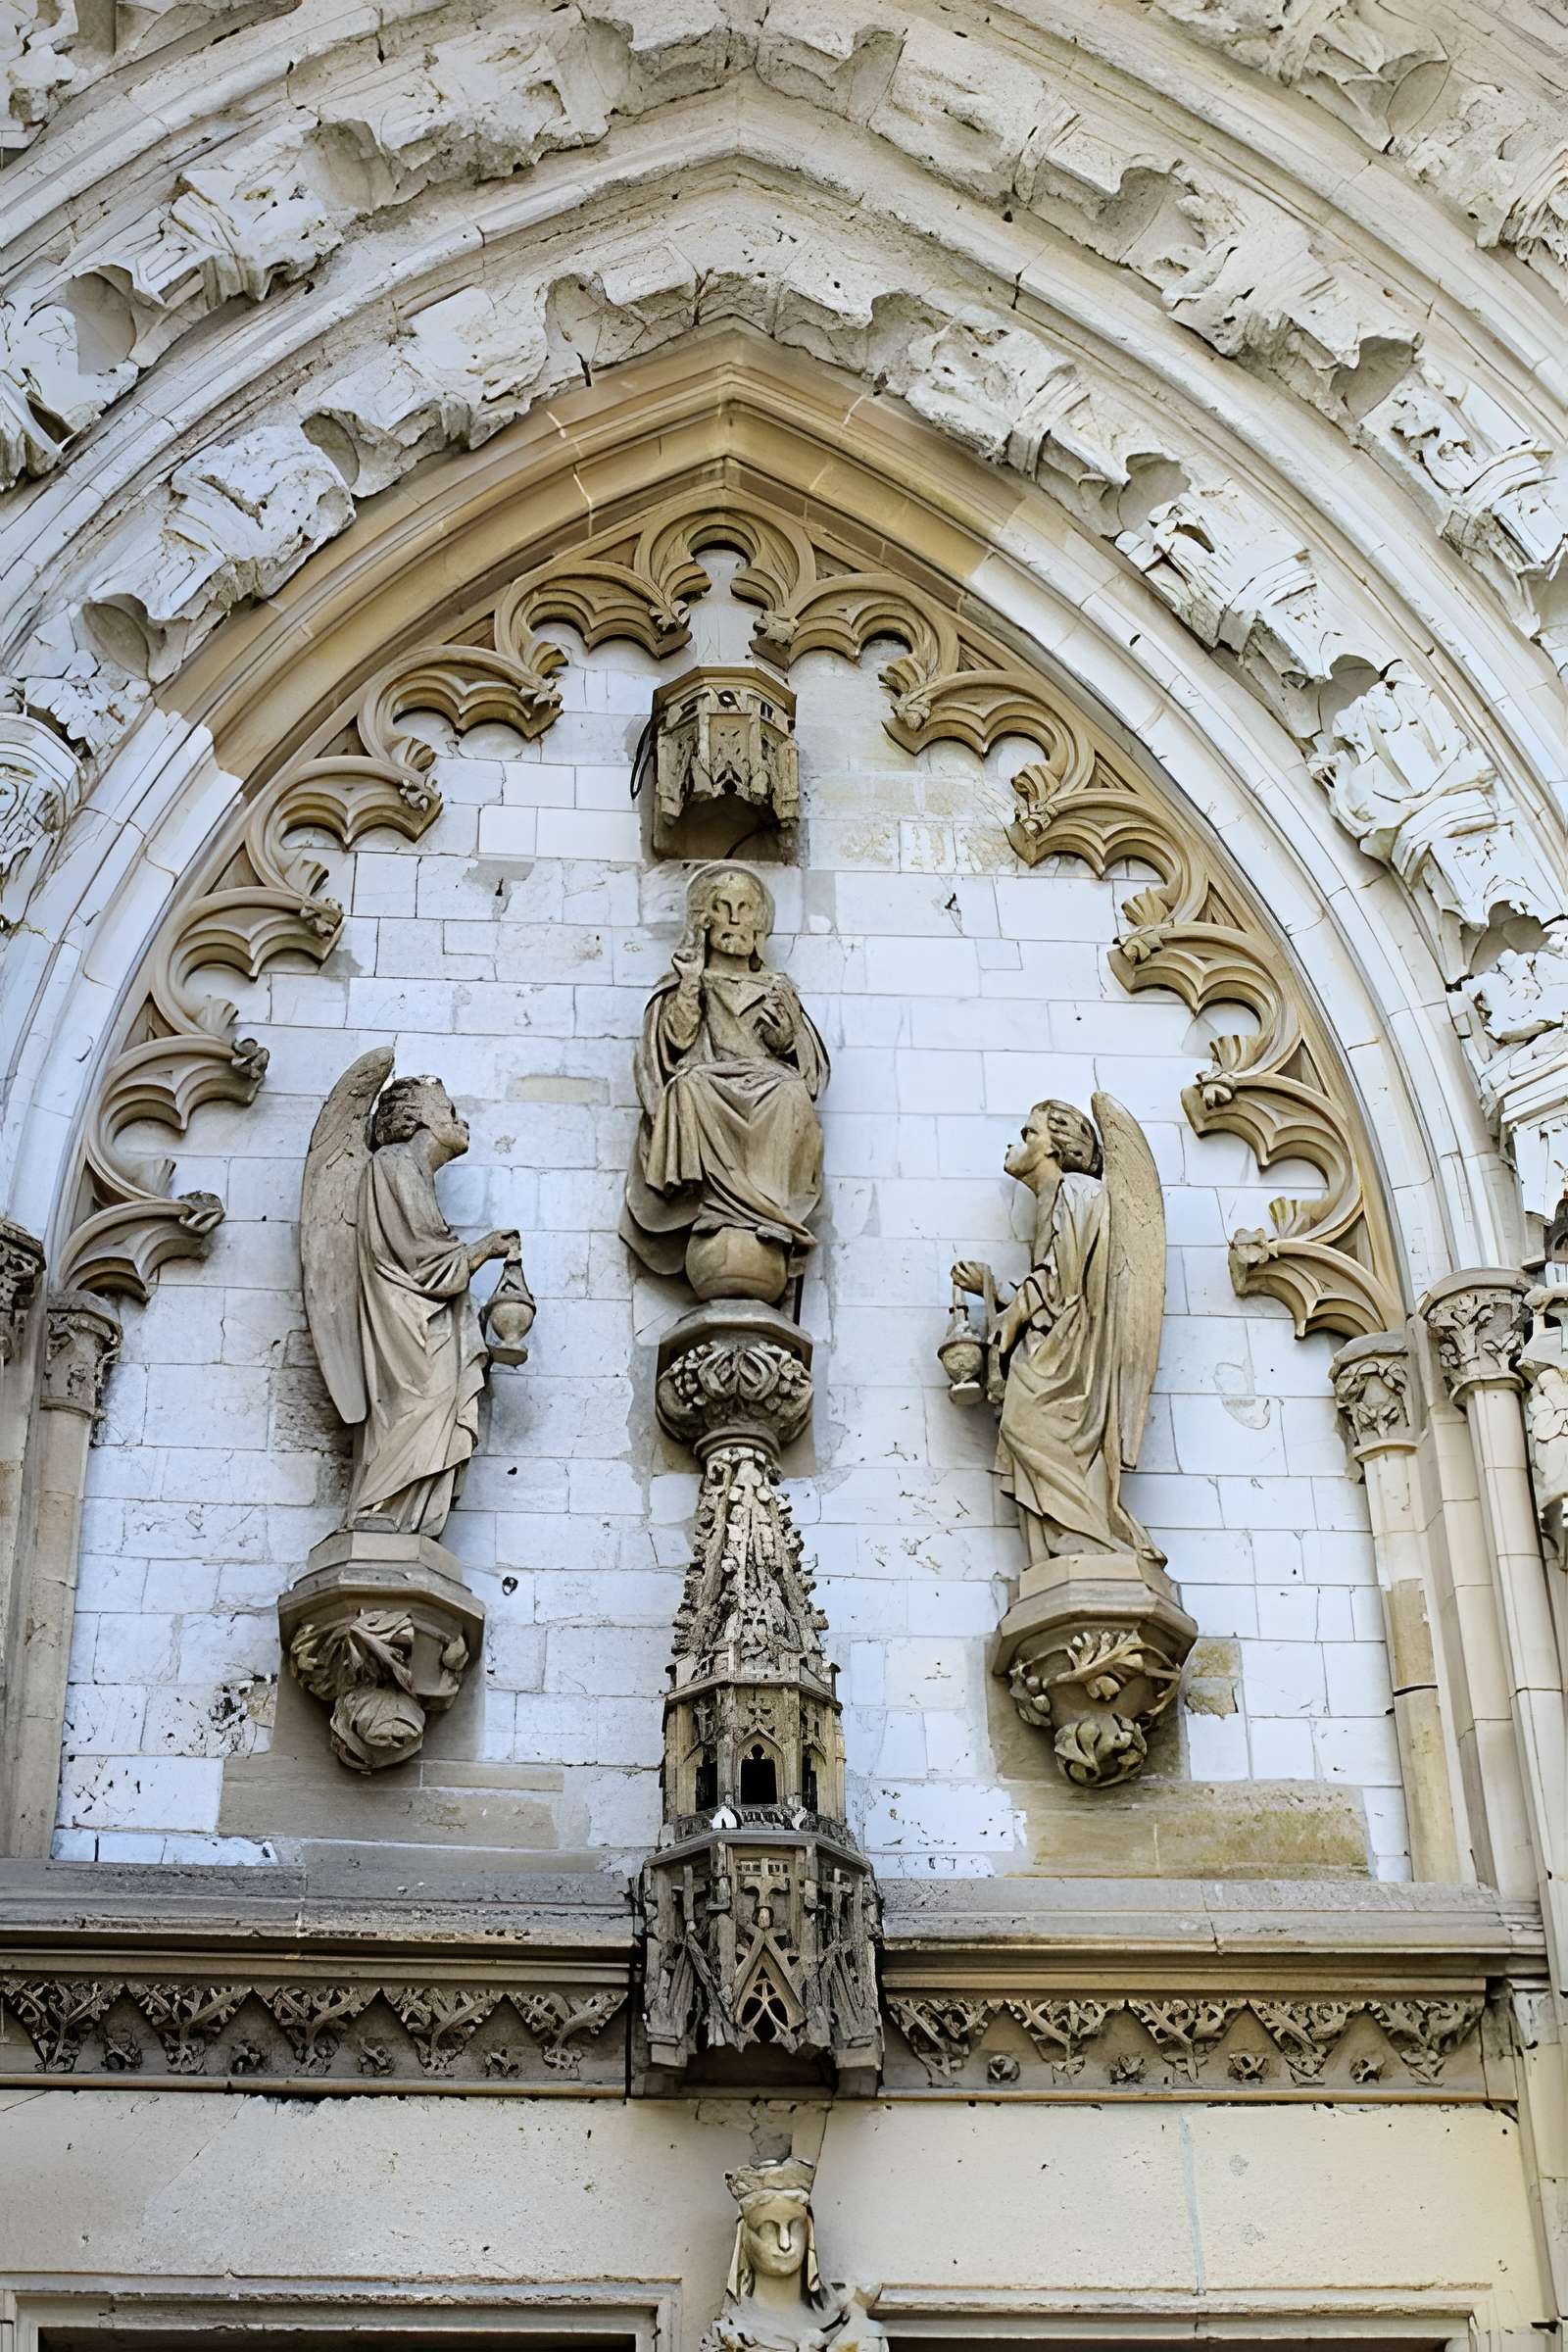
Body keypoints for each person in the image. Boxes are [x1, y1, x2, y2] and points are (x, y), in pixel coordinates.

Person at [952, 1098, 1162, 1568]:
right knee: (1023, 1428)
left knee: (1028, 1424)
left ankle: (1094, 1540)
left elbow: (1062, 1279)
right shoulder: (1054, 1199)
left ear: (1055, 1149)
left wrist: (1010, 1316)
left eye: (1029, 1134)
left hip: (1071, 1358)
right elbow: (1050, 1275)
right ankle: (1061, 1547)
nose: (1017, 1142)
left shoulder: (1079, 1192)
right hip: (1052, 1344)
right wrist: (993, 1290)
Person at [622, 863, 829, 1301]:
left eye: (745, 909)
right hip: (709, 1081)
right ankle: (718, 1205)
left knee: (789, 1090)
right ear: (705, 918)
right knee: (688, 1084)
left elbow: (803, 1064)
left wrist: (785, 1033)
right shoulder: (685, 981)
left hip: (766, 1081)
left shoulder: (776, 986)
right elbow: (676, 1039)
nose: (734, 918)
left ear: (760, 924)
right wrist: (690, 983)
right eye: (723, 907)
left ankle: (767, 1209)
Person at [349, 1075, 516, 1535]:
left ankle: (408, 1520)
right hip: (407, 1323)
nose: (460, 1121)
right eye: (448, 1110)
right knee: (419, 1404)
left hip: (425, 1317)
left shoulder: (411, 1173)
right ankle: (380, 1512)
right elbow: (422, 1259)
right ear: (419, 1117)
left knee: (433, 1409)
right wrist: (481, 1250)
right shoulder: (393, 1163)